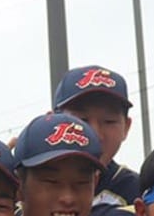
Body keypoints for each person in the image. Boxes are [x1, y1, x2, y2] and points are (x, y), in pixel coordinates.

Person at [51, 65, 140, 206]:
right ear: (51, 122)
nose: (95, 135)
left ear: (126, 127)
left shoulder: (139, 192)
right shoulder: (25, 187)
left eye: (109, 121)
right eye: (82, 120)